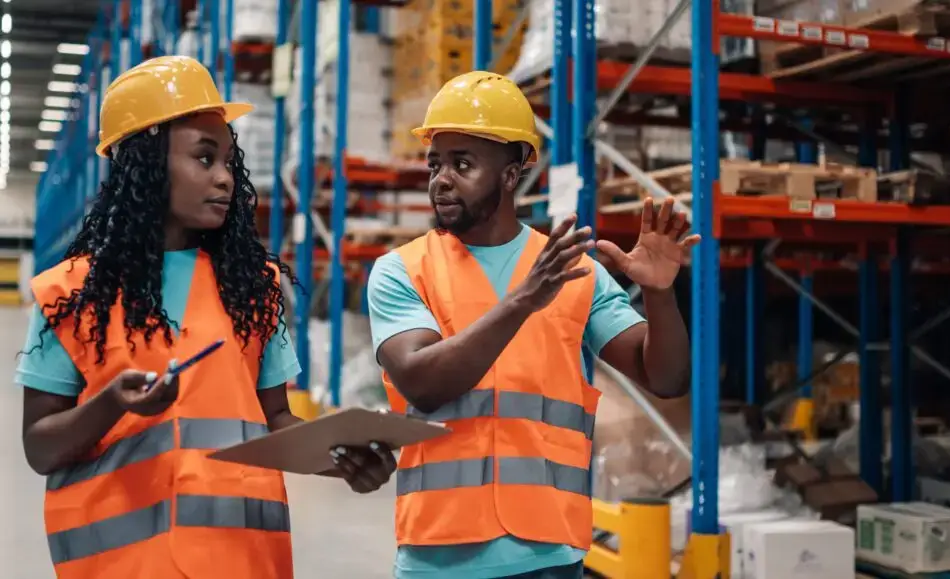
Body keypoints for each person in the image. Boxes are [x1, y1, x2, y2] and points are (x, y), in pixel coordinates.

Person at [17, 55, 394, 579]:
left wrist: (342, 457)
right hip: (122, 567)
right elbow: (40, 446)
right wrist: (110, 405)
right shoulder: (72, 292)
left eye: (228, 162)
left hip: (241, 562)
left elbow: (275, 422)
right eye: (203, 158)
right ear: (145, 165)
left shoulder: (252, 286)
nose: (225, 179)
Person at [366, 70, 699, 579]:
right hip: (439, 554)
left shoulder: (572, 270)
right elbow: (422, 383)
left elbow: (667, 378)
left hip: (550, 554)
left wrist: (659, 294)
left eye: (462, 164)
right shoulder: (401, 271)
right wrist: (523, 300)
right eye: (435, 163)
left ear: (510, 173)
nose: (441, 179)